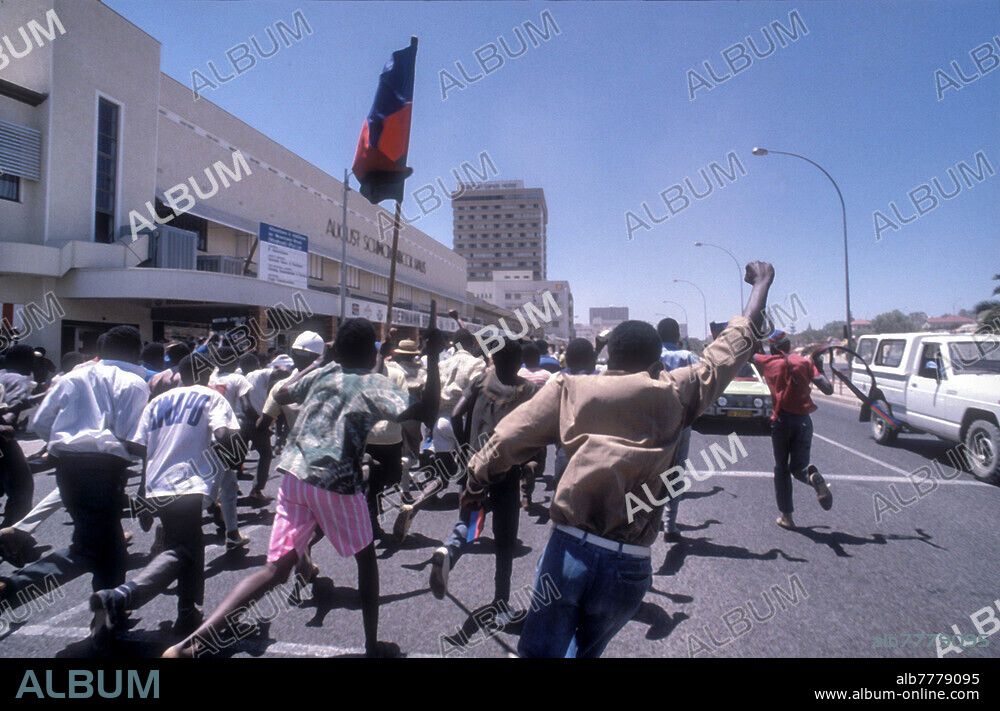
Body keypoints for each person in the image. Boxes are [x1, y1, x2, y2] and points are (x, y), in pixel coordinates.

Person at [458, 261, 776, 657]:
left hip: (570, 551)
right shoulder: (678, 391)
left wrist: (475, 484)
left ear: (609, 358)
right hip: (630, 565)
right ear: (657, 363)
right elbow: (730, 348)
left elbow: (504, 440)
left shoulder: (571, 388)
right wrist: (761, 286)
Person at [163, 319, 444, 658]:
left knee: (274, 570)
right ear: (372, 354)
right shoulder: (376, 384)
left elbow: (281, 392)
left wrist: (319, 363)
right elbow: (426, 411)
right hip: (337, 480)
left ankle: (186, 646)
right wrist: (434, 357)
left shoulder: (320, 374)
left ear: (335, 350)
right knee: (366, 560)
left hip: (294, 475)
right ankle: (372, 647)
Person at [89, 353, 241, 650]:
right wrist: (231, 455)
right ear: (209, 373)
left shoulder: (158, 401)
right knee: (182, 552)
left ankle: (187, 614)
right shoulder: (211, 397)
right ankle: (120, 597)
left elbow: (139, 446)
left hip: (158, 484)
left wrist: (144, 492)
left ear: (180, 374)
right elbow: (224, 434)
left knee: (190, 548)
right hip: (189, 483)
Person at [0, 326, 149, 620]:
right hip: (105, 469)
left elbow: (41, 423)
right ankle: (13, 587)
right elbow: (134, 436)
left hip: (67, 467)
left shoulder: (74, 376)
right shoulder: (135, 383)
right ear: (135, 352)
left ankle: (109, 613)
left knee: (111, 546)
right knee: (88, 549)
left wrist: (64, 443)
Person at [429, 338, 536, 621]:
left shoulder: (480, 381)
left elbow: (454, 414)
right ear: (519, 362)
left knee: (471, 522)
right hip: (505, 471)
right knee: (504, 542)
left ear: (494, 359)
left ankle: (448, 553)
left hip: (474, 468)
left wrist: (466, 446)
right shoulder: (527, 390)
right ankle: (500, 604)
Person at [392, 328, 486, 540]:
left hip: (441, 422)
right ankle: (465, 530)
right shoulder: (477, 364)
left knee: (442, 478)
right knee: (467, 477)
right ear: (471, 344)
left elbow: (429, 390)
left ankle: (414, 505)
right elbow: (477, 393)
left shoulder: (442, 364)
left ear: (454, 345)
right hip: (463, 422)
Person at [753, 330, 835, 529]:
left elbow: (750, 352)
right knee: (799, 468)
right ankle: (813, 478)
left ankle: (787, 517)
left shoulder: (767, 362)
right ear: (789, 346)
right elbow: (828, 389)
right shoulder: (805, 363)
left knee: (782, 469)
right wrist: (820, 367)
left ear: (773, 348)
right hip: (804, 422)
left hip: (782, 422)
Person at [205, 347, 255, 550]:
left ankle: (232, 533)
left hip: (206, 429)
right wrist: (259, 422)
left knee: (228, 483)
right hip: (228, 432)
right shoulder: (239, 379)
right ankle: (169, 523)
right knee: (216, 484)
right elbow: (245, 406)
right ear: (235, 363)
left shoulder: (210, 377)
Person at [656, 317, 700, 543]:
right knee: (676, 471)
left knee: (650, 467)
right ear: (677, 337)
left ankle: (646, 519)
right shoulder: (689, 357)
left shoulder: (650, 356)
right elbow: (706, 379)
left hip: (652, 421)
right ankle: (670, 524)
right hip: (681, 421)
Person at [244, 354, 294, 504]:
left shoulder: (248, 375)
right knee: (266, 454)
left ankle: (221, 495)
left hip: (242, 420)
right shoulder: (268, 373)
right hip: (256, 419)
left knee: (233, 459)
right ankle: (256, 490)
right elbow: (278, 371)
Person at [516, 343, 550, 508]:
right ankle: (530, 474)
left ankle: (525, 492)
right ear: (538, 359)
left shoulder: (517, 374)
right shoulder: (547, 375)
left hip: (518, 423)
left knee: (521, 457)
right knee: (539, 464)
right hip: (539, 424)